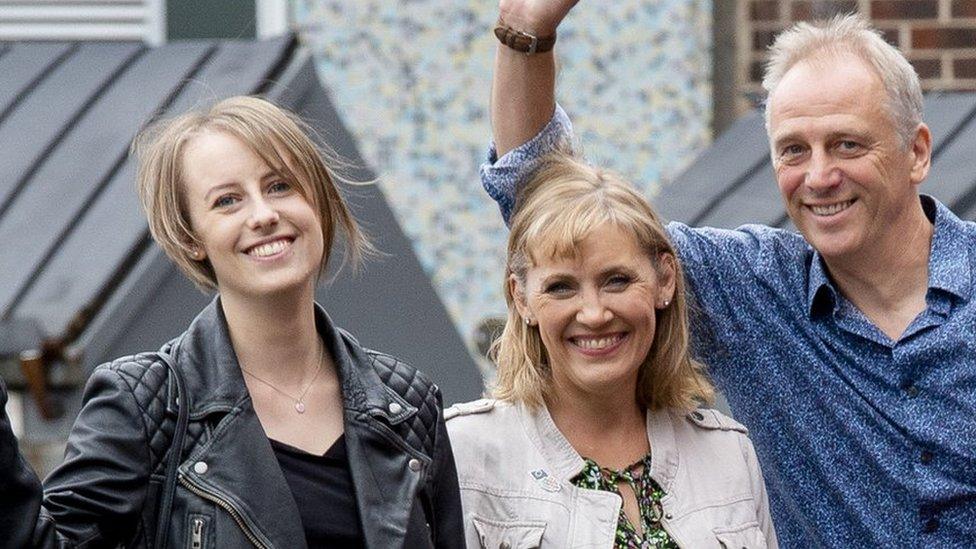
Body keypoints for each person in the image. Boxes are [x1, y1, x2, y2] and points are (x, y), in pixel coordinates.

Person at [481, 3, 976, 547]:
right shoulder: (753, 290)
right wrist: (527, 31)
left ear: (917, 152)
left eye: (847, 144)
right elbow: (550, 206)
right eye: (793, 150)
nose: (819, 176)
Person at [0, 96, 463, 548]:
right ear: (190, 238)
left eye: (280, 186)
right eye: (227, 201)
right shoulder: (145, 404)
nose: (264, 215)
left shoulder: (407, 404)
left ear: (317, 202)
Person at [447, 152, 777, 548]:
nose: (594, 313)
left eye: (617, 280)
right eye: (561, 287)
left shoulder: (728, 453)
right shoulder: (465, 454)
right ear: (522, 299)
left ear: (665, 280)